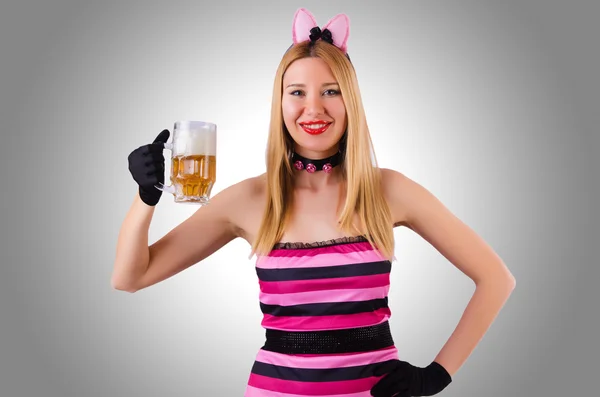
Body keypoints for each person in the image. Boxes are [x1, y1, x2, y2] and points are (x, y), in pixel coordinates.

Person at [112, 8, 516, 397]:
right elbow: (130, 278)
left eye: (330, 92)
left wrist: (437, 375)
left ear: (350, 101)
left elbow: (496, 279)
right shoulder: (250, 199)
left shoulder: (389, 190)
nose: (313, 108)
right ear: (281, 104)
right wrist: (146, 198)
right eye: (297, 93)